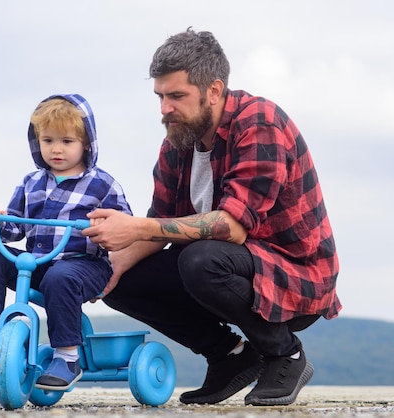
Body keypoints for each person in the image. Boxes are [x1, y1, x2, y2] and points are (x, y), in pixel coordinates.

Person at [82, 29, 341, 407]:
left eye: (176, 96)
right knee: (119, 279)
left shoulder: (259, 123)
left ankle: (285, 354)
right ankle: (230, 356)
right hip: (230, 265)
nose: (165, 108)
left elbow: (232, 228)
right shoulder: (178, 140)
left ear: (214, 90)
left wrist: (137, 226)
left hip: (296, 276)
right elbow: (162, 222)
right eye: (160, 96)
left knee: (201, 258)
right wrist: (111, 268)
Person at [0, 93, 132, 391]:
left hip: (86, 266)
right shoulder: (31, 183)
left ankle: (68, 357)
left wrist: (102, 227)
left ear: (86, 143)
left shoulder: (102, 184)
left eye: (66, 141)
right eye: (48, 141)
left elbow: (124, 228)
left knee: (62, 275)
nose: (56, 150)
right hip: (39, 264)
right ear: (37, 142)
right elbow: (13, 231)